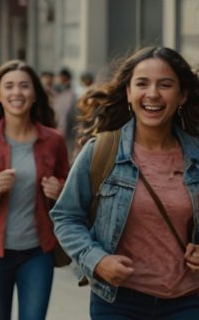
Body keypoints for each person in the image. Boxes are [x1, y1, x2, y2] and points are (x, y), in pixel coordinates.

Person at [51, 47, 199, 319]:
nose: (152, 93)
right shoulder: (101, 152)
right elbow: (65, 216)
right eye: (142, 84)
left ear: (183, 95)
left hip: (188, 303)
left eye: (165, 84)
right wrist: (97, 260)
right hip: (118, 303)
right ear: (129, 93)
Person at [0, 60, 69, 320]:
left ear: (34, 94)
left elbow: (69, 186)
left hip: (37, 252)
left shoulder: (53, 140)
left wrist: (60, 189)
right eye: (9, 86)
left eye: (24, 86)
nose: (17, 92)